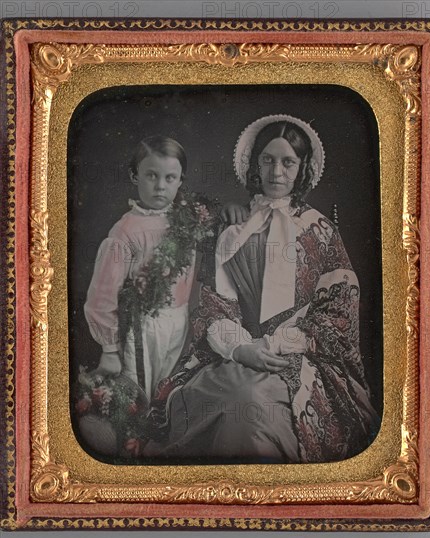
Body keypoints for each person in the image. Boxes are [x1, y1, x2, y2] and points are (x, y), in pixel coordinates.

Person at [148, 115, 380, 463]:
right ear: (255, 163)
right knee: (219, 394)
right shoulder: (234, 228)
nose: (276, 172)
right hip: (238, 351)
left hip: (302, 355)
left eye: (288, 162)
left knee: (250, 403)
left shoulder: (320, 231)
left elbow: (338, 313)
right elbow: (215, 306)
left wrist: (274, 345)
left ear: (302, 168)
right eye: (268, 160)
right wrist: (242, 349)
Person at [78, 135, 248, 458]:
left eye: (170, 178)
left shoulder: (188, 216)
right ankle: (129, 454)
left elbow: (216, 221)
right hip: (142, 327)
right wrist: (110, 349)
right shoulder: (125, 231)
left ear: (181, 181)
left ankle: (161, 451)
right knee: (138, 391)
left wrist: (230, 208)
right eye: (151, 176)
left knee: (169, 389)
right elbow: (102, 295)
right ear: (134, 176)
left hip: (180, 321)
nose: (160, 186)